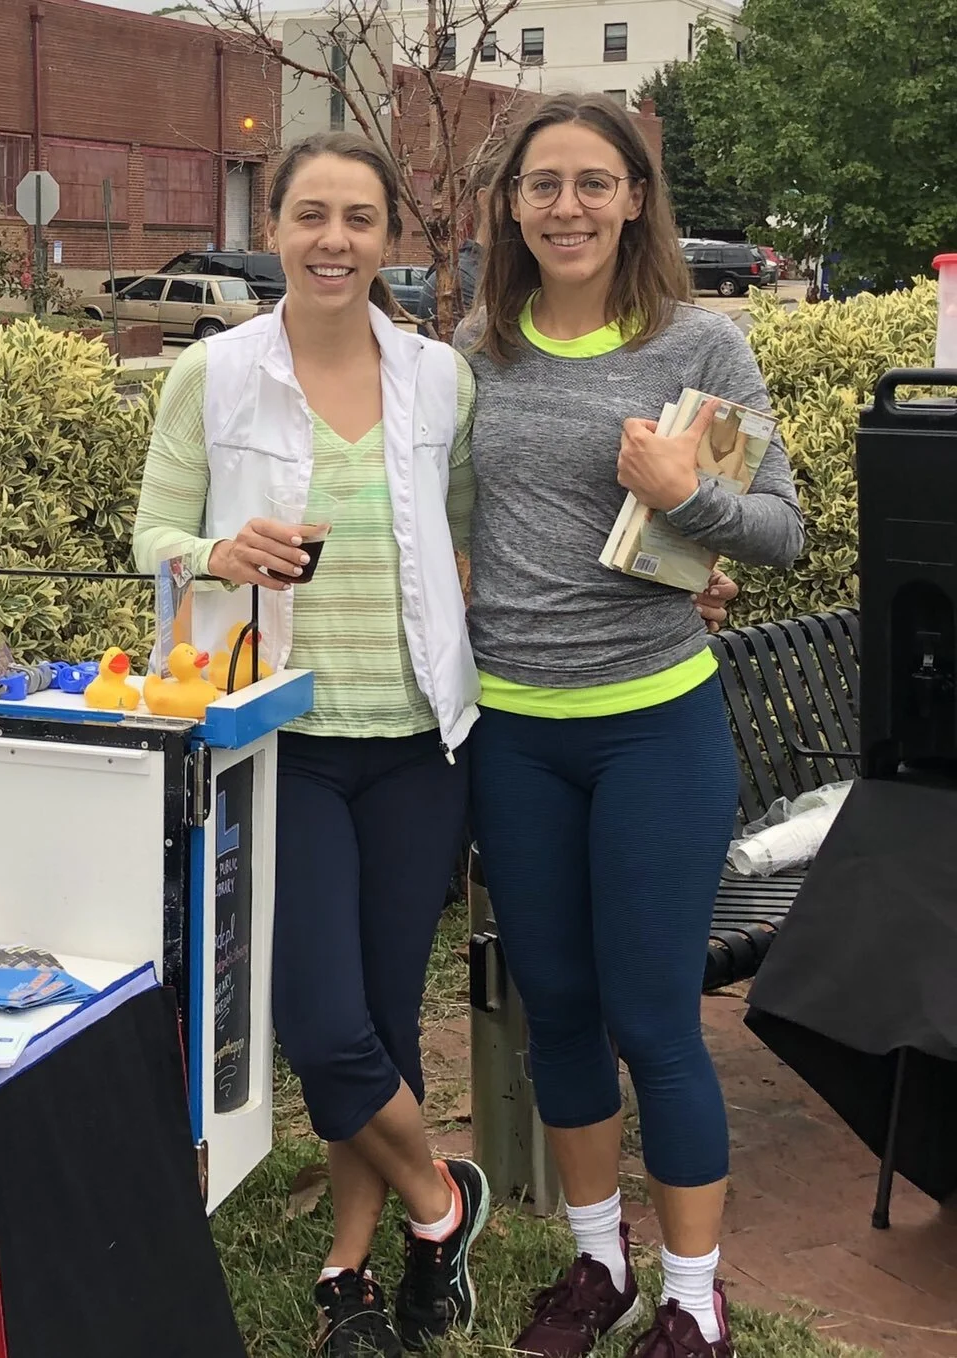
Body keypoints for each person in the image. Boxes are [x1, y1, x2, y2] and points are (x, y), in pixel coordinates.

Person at [457, 93, 805, 1358]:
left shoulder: (698, 347)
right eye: (541, 184)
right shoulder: (475, 348)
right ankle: (595, 1262)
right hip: (515, 733)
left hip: (653, 728)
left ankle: (692, 1290)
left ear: (632, 199)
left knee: (653, 1015)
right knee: (556, 1006)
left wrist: (684, 496)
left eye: (592, 182)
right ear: (509, 206)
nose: (566, 206)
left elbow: (781, 530)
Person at [132, 131, 488, 1358]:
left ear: (390, 237)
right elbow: (149, 536)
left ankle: (351, 1272)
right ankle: (442, 1204)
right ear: (272, 228)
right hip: (277, 738)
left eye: (358, 219)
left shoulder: (439, 377)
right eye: (309, 216)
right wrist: (211, 554)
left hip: (415, 738)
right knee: (317, 1019)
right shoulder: (215, 376)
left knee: (383, 1021)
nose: (333, 240)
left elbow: (457, 538)